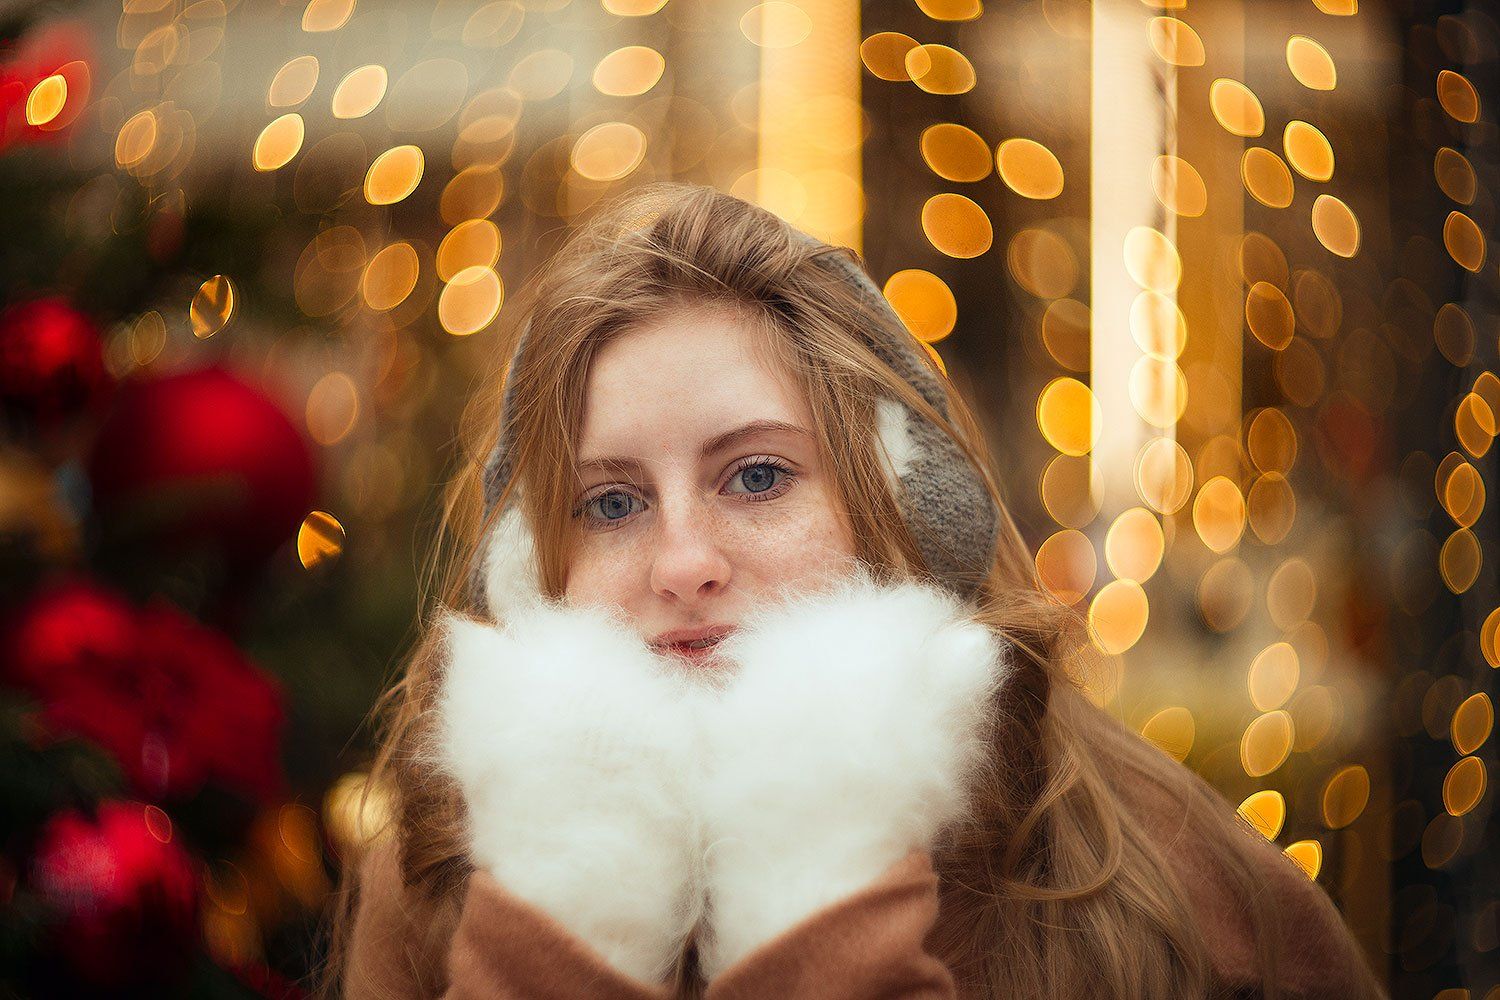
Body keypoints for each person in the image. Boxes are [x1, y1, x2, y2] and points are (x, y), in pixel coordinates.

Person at [317, 181, 1389, 999]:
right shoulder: (437, 878)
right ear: (529, 573)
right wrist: (560, 928)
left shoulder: (1171, 881)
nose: (684, 560)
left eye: (758, 476)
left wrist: (824, 897)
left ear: (909, 515)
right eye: (610, 504)